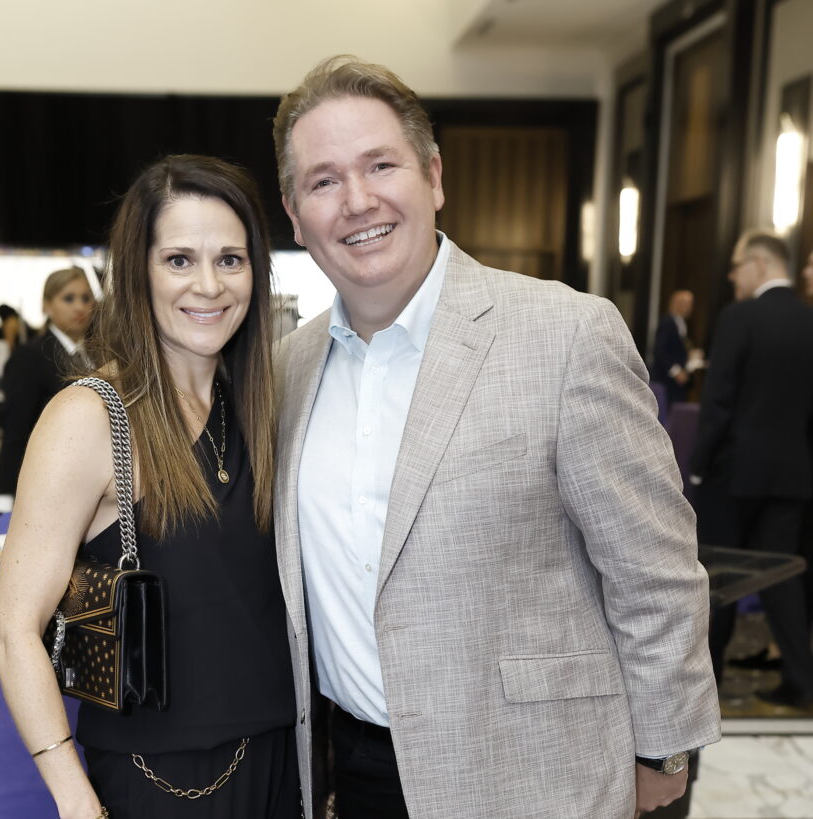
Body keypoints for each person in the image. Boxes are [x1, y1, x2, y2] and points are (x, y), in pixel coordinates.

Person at [271, 56, 720, 819]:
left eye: (381, 165)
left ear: (434, 176)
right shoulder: (288, 369)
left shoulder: (566, 333)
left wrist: (664, 749)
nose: (357, 200)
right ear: (294, 214)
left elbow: (656, 572)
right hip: (357, 773)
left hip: (536, 773)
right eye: (323, 180)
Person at [0, 155, 297, 819]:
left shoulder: (259, 406)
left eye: (231, 259)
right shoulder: (90, 416)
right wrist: (74, 797)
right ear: (137, 271)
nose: (209, 285)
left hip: (281, 766)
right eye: (179, 260)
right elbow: (11, 629)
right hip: (158, 782)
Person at [690, 230, 813, 709]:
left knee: (717, 576)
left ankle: (707, 684)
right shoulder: (808, 321)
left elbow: (718, 402)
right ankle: (802, 680)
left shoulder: (739, 317)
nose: (732, 276)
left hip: (734, 472)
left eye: (737, 266)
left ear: (760, 264)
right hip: (792, 474)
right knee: (781, 576)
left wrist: (697, 468)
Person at [0, 267, 95, 513]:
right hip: (45, 484)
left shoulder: (97, 356)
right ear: (46, 305)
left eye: (86, 298)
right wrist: (5, 493)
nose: (79, 306)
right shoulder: (30, 356)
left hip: (88, 485)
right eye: (68, 298)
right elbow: (16, 428)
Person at [652, 289, 696, 405]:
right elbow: (660, 351)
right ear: (676, 304)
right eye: (686, 303)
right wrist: (676, 371)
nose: (689, 307)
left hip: (678, 382)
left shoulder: (682, 323)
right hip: (666, 380)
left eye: (691, 303)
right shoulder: (667, 323)